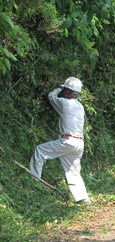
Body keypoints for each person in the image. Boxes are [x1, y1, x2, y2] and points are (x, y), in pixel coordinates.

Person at [30, 77, 91, 205]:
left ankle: (34, 182)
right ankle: (83, 199)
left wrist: (59, 88)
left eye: (65, 90)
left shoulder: (65, 103)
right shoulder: (80, 106)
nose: (63, 93)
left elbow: (51, 96)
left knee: (40, 150)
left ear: (68, 91)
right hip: (79, 143)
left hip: (68, 141)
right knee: (73, 172)